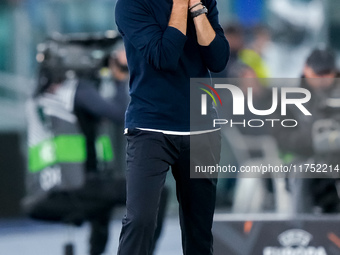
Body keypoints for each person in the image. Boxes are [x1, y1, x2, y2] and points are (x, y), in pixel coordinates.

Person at [115, 0, 229, 254]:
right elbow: (164, 56)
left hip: (202, 129)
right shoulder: (131, 5)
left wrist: (198, 10)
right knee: (140, 220)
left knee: (199, 229)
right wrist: (180, 4)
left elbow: (218, 59)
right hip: (150, 127)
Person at [274, 47, 340, 213]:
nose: (323, 78)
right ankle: (300, 229)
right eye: (318, 73)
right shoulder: (289, 99)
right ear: (306, 69)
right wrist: (316, 140)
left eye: (327, 72)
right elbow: (281, 138)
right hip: (304, 160)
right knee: (302, 172)